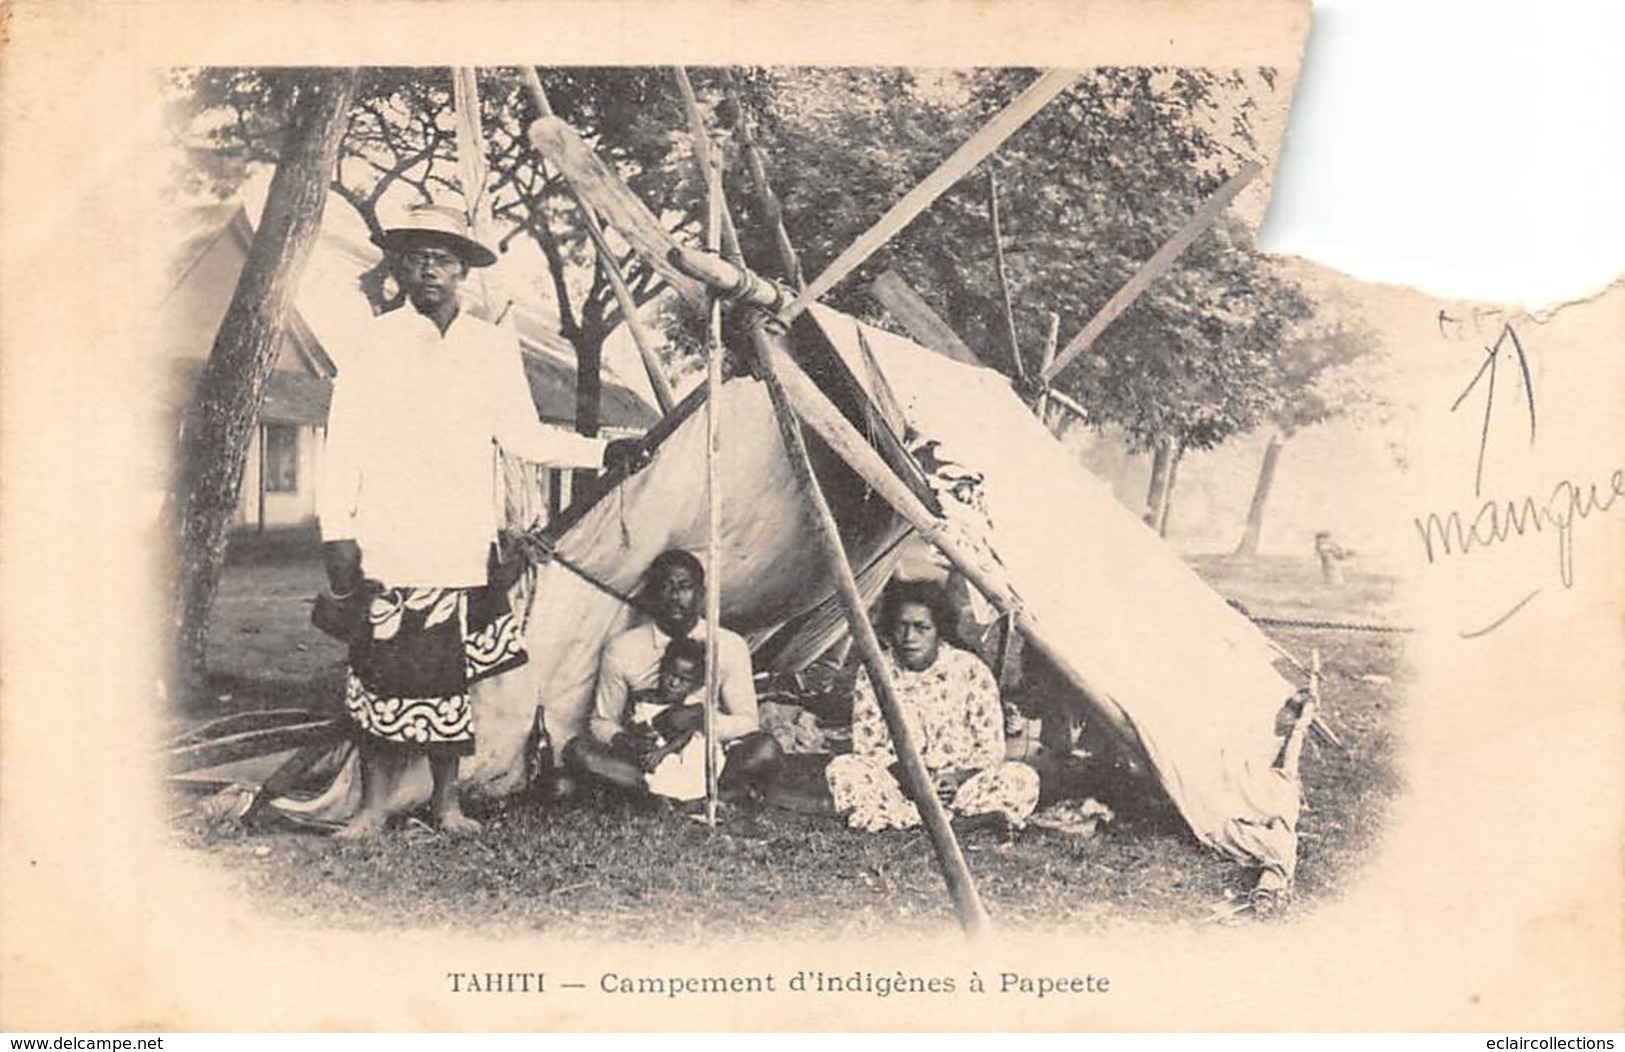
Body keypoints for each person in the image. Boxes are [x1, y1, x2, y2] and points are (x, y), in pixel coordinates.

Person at [316, 204, 646, 840]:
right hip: (389, 541)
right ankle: (370, 809)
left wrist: (604, 450)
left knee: (448, 683)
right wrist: (339, 532)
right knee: (377, 678)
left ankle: (447, 805)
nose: (428, 269)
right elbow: (346, 443)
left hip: (460, 546)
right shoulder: (374, 341)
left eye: (442, 258)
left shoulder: (490, 347)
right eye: (416, 257)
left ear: (464, 269)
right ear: (400, 267)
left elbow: (522, 435)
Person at [825, 579, 1040, 833]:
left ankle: (908, 822)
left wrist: (957, 778)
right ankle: (959, 825)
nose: (909, 638)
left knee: (1021, 778)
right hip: (899, 784)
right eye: (901, 627)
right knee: (846, 769)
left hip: (959, 787)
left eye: (921, 628)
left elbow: (990, 749)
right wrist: (912, 779)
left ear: (939, 630)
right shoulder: (874, 672)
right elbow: (868, 747)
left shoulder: (970, 670)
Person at [568, 549, 782, 802]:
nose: (675, 597)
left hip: (708, 758)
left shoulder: (728, 645)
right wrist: (625, 740)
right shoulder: (623, 648)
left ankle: (658, 797)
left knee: (766, 749)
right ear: (650, 595)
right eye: (665, 587)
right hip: (646, 760)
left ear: (701, 594)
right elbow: (602, 721)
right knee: (577, 752)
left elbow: (747, 722)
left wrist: (702, 720)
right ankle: (705, 796)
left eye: (684, 587)